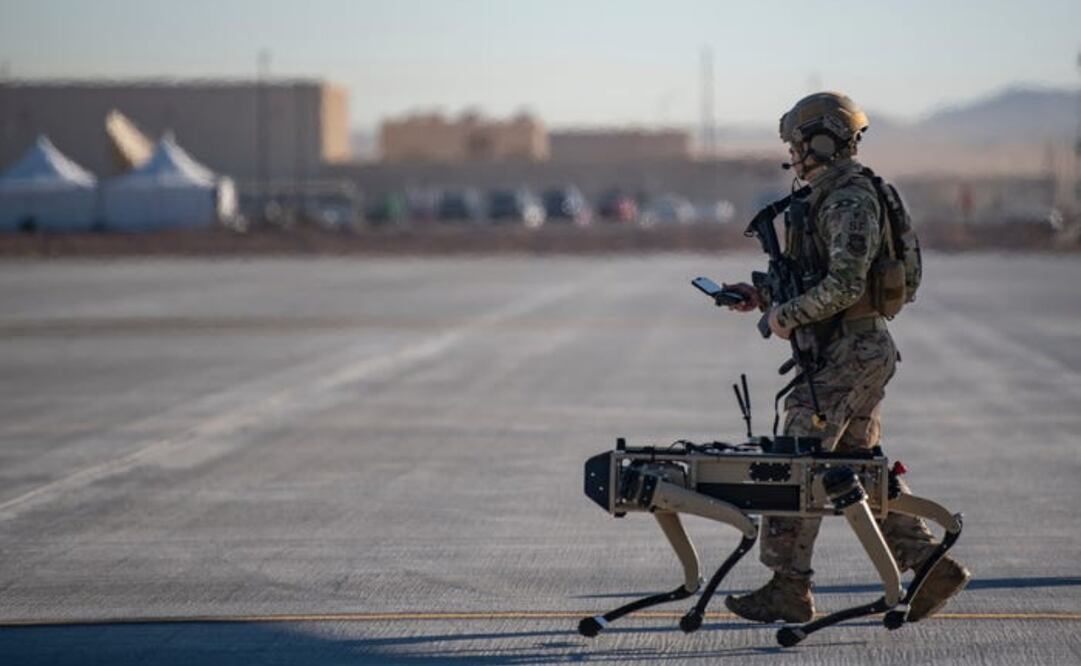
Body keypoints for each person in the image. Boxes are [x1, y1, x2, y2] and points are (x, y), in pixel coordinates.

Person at [720, 92, 970, 624]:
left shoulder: (849, 200)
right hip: (848, 350)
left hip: (851, 352)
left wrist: (785, 316)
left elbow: (844, 285)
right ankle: (931, 568)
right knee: (853, 471)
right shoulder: (830, 196)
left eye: (798, 143)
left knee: (795, 461)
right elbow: (824, 283)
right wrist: (764, 297)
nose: (793, 153)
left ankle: (789, 587)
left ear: (825, 141)